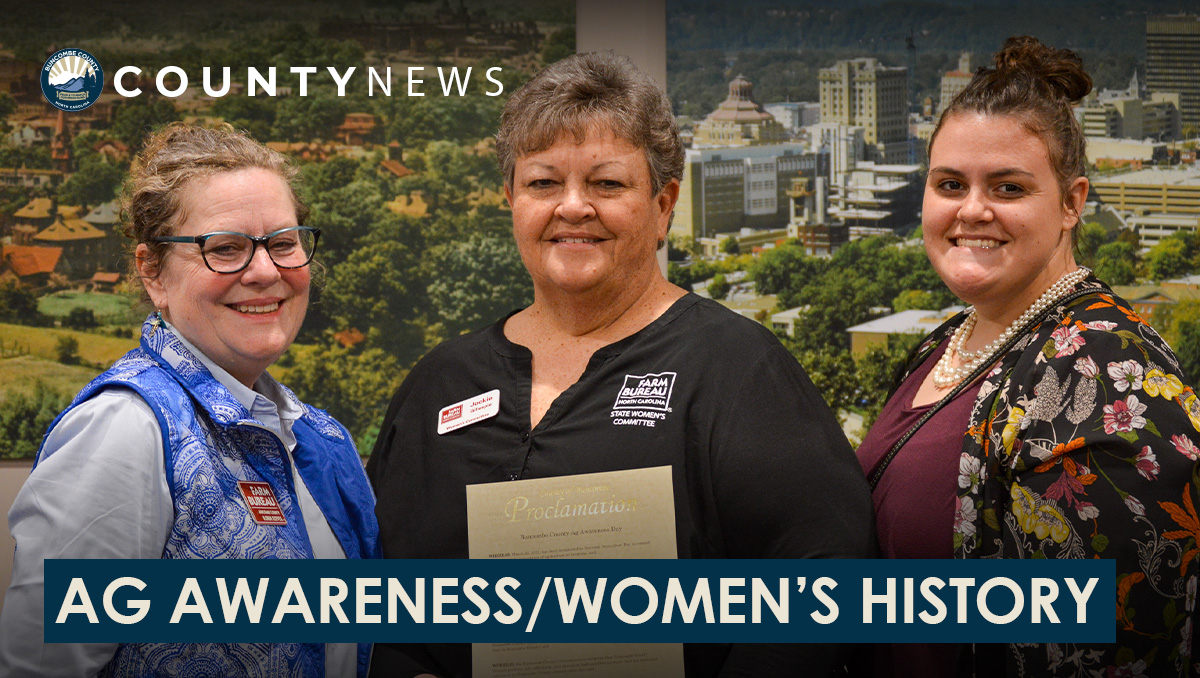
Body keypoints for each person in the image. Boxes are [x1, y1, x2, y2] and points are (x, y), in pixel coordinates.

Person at [367, 51, 875, 677]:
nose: (573, 206)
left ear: (663, 206)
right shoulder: (441, 381)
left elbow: (824, 582)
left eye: (607, 184)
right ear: (510, 201)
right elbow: (383, 594)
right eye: (543, 183)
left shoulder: (737, 370)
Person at [856, 36, 1199, 677]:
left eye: (1008, 188)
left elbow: (1106, 634)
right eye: (949, 184)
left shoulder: (1110, 378)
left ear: (1072, 202)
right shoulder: (950, 341)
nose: (972, 210)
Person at [0, 123, 380, 678]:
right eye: (224, 248)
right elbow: (40, 669)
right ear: (152, 271)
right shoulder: (127, 431)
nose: (265, 271)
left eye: (282, 243)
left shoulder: (321, 438)